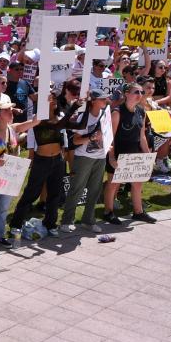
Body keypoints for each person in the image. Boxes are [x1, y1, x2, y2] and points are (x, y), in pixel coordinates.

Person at [8, 88, 84, 237]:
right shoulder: (38, 118)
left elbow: (79, 126)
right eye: (49, 97)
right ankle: (16, 224)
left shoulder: (60, 116)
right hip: (41, 160)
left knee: (54, 194)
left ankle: (50, 224)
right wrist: (74, 107)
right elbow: (55, 127)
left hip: (58, 160)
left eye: (54, 98)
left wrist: (84, 108)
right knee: (31, 193)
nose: (53, 100)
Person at [0, 96, 39, 248]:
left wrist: (44, 104)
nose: (11, 111)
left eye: (10, 109)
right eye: (7, 110)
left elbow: (34, 122)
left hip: (10, 175)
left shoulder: (13, 129)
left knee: (4, 208)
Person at [59, 89, 111, 234]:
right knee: (76, 189)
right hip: (84, 158)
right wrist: (91, 138)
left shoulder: (104, 114)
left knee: (95, 191)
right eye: (102, 99)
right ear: (93, 100)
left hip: (100, 157)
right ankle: (66, 221)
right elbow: (75, 140)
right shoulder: (83, 117)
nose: (105, 101)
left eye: (105, 99)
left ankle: (88, 221)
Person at [103, 83, 156, 224]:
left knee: (137, 183)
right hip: (119, 152)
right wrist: (112, 157)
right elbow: (110, 137)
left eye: (141, 92)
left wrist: (147, 156)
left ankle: (138, 212)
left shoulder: (141, 111)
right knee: (114, 183)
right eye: (136, 92)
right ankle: (108, 211)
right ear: (126, 93)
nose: (139, 95)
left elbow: (142, 136)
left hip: (134, 153)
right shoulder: (117, 112)